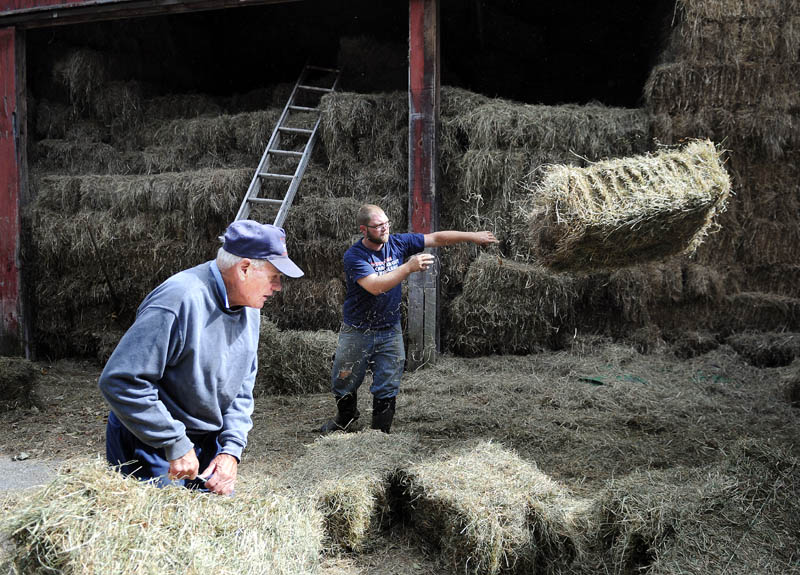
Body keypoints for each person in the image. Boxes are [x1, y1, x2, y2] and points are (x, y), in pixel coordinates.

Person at [99, 220, 303, 495]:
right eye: (274, 276)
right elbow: (120, 380)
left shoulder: (249, 308)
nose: (278, 287)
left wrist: (231, 450)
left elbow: (242, 384)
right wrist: (174, 441)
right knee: (158, 530)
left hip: (205, 439)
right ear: (244, 269)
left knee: (217, 528)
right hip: (151, 440)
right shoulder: (178, 300)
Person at [320, 204, 498, 434]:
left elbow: (436, 238)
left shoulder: (397, 242)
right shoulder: (354, 256)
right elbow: (375, 286)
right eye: (378, 226)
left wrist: (472, 236)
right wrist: (408, 267)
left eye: (386, 224)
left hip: (389, 329)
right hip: (358, 330)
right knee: (344, 378)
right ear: (364, 230)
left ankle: (380, 434)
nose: (385, 229)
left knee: (388, 381)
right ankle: (345, 417)